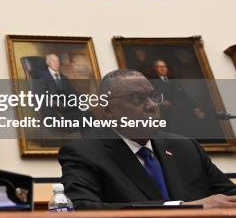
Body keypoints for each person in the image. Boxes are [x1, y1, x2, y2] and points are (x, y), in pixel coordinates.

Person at [58, 69, 236, 210]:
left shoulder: (185, 146)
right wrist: (185, 208)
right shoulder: (84, 152)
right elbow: (83, 208)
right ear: (108, 110)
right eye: (136, 98)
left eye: (153, 97)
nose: (152, 105)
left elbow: (230, 196)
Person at [149, 59, 208, 137]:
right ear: (155, 69)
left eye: (164, 66)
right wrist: (160, 102)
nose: (162, 68)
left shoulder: (173, 81)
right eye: (159, 67)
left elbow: (184, 95)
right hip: (165, 115)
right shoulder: (152, 82)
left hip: (180, 112)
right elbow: (149, 95)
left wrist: (195, 107)